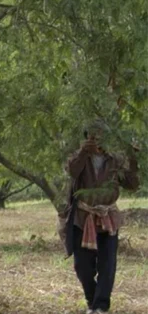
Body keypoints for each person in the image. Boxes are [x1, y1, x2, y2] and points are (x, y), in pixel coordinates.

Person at [64, 125, 140, 314]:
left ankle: (100, 306)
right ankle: (92, 300)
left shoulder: (115, 160)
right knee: (82, 266)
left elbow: (132, 184)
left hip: (108, 218)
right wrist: (83, 151)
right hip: (82, 218)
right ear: (87, 137)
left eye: (101, 136)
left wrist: (132, 158)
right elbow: (72, 172)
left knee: (107, 265)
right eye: (93, 136)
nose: (97, 140)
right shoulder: (78, 156)